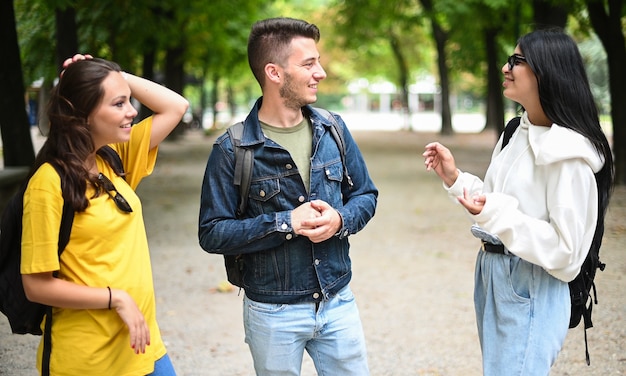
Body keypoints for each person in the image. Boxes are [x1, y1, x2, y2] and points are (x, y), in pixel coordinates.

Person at [423, 29, 614, 375]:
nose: (505, 68)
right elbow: (497, 202)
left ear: (547, 71)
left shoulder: (569, 155)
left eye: (517, 61)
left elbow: (566, 253)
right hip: (493, 272)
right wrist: (455, 178)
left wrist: (495, 213)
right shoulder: (516, 131)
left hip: (530, 282)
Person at [198, 17, 378, 375]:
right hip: (272, 312)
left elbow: (366, 195)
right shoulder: (232, 149)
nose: (321, 72)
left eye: (318, 61)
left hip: (337, 301)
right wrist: (285, 223)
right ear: (274, 73)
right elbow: (213, 232)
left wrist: (340, 219)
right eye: (308, 64)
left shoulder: (334, 129)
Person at [21, 54, 188, 375]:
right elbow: (36, 285)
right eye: (118, 103)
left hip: (143, 345)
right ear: (82, 115)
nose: (132, 111)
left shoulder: (114, 159)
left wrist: (110, 72)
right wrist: (117, 299)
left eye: (128, 100)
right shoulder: (48, 184)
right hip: (88, 359)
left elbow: (175, 106)